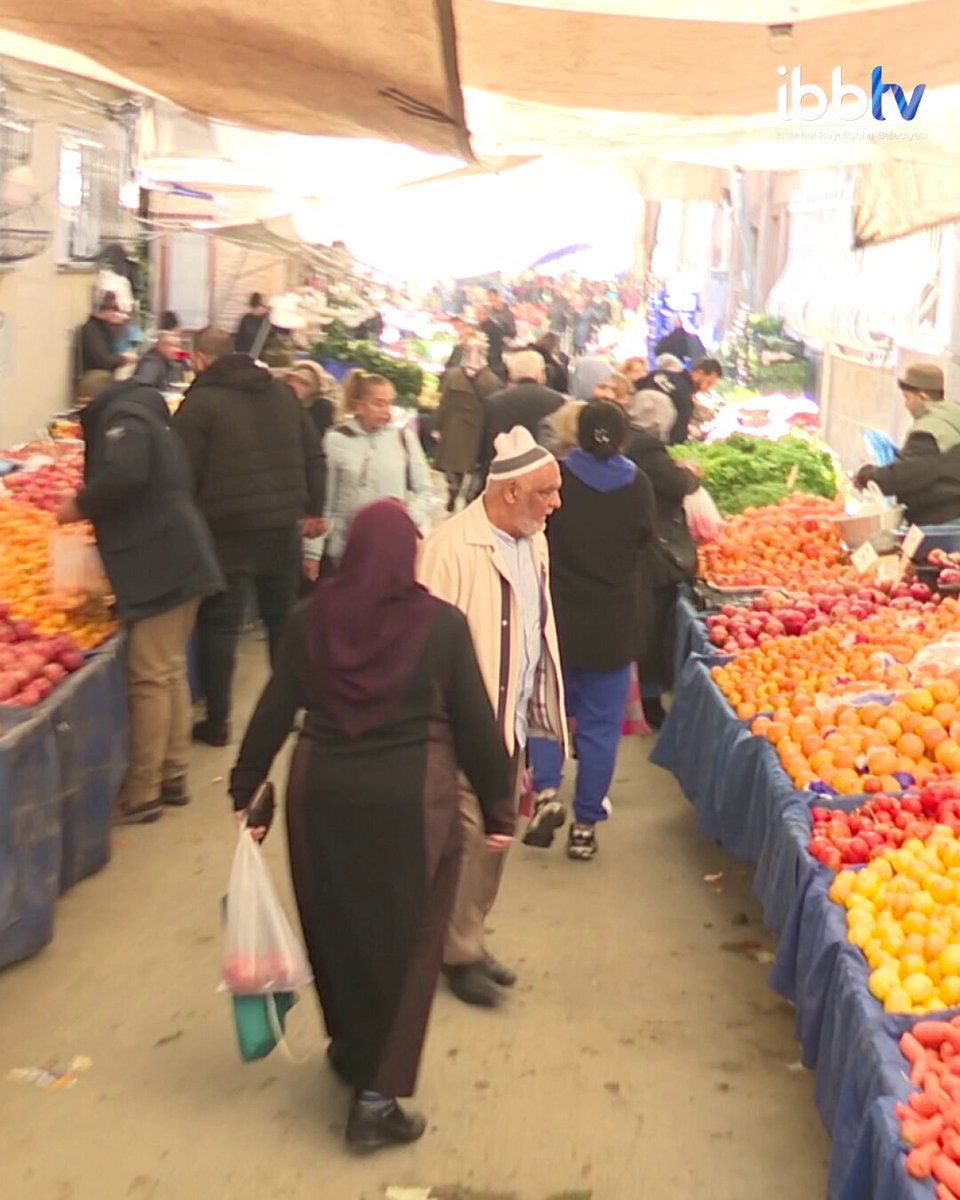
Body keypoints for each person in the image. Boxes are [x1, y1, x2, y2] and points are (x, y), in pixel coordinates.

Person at [230, 499, 514, 1151]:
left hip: (320, 796)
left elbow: (274, 708)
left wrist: (247, 789)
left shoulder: (309, 619)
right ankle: (376, 1100)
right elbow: (474, 723)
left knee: (336, 930)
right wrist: (500, 808)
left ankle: (352, 1049)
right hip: (411, 804)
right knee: (408, 947)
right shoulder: (440, 625)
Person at [418, 427, 566, 1008]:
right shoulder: (448, 549)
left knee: (495, 838)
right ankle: (455, 953)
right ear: (510, 493)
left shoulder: (535, 541)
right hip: (460, 727)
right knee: (470, 836)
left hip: (509, 723)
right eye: (546, 492)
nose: (556, 503)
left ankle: (468, 938)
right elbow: (421, 642)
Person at [55, 378, 224, 823]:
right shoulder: (148, 415)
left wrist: (80, 504)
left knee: (150, 676)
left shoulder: (124, 419)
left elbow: (126, 474)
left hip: (160, 566)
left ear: (87, 402)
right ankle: (173, 774)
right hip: (183, 558)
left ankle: (144, 791)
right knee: (168, 670)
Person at [173, 327, 326, 745]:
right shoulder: (280, 394)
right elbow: (314, 451)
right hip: (281, 526)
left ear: (201, 359)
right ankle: (290, 711)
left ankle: (218, 722)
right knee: (281, 621)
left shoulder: (200, 403)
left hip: (226, 531)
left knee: (220, 626)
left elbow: (181, 471)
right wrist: (315, 506)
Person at [527, 403, 654, 860]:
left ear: (576, 434)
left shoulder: (554, 475)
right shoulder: (637, 483)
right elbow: (644, 538)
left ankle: (544, 793)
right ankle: (584, 827)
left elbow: (533, 531)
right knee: (600, 728)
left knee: (546, 711)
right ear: (623, 439)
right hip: (613, 624)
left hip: (556, 620)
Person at [624, 386, 703, 729]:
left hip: (638, 542)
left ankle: (648, 697)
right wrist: (690, 474)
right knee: (654, 628)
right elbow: (676, 484)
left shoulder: (629, 442)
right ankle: (652, 703)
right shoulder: (648, 450)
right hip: (655, 548)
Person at [319, 370, 432, 574]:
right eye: (379, 403)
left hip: (391, 548)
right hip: (345, 550)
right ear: (360, 405)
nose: (386, 410)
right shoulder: (336, 439)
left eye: (389, 403)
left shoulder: (404, 439)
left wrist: (406, 521)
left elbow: (424, 489)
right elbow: (325, 499)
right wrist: (314, 550)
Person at [855, 363, 960, 526]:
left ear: (923, 397)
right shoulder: (953, 415)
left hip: (941, 522)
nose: (905, 405)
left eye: (907, 398)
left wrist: (866, 475)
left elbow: (902, 476)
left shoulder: (929, 432)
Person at [436, 334, 501, 513]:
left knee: (453, 464)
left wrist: (438, 425)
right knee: (472, 467)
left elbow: (444, 402)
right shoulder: (492, 381)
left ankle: (453, 488)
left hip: (453, 427)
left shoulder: (452, 375)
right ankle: (468, 499)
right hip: (477, 430)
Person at [634, 355, 723, 445]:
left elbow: (633, 388)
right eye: (708, 383)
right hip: (648, 443)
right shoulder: (684, 399)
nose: (706, 389)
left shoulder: (660, 373)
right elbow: (677, 439)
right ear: (698, 373)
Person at [78, 294, 135, 375]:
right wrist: (122, 359)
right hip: (95, 375)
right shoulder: (92, 330)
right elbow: (102, 360)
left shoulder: (104, 329)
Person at [286, 360, 339, 442]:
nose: (294, 386)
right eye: (291, 380)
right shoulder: (279, 404)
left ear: (314, 388)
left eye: (303, 383)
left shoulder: (323, 408)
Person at [475, 304, 506, 381]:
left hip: (492, 362)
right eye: (476, 313)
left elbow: (493, 347)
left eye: (480, 313)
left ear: (486, 314)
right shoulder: (482, 326)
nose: (477, 316)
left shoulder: (492, 328)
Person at [234, 292, 271, 356]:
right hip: (250, 355)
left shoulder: (266, 320)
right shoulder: (248, 319)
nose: (267, 309)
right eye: (265, 306)